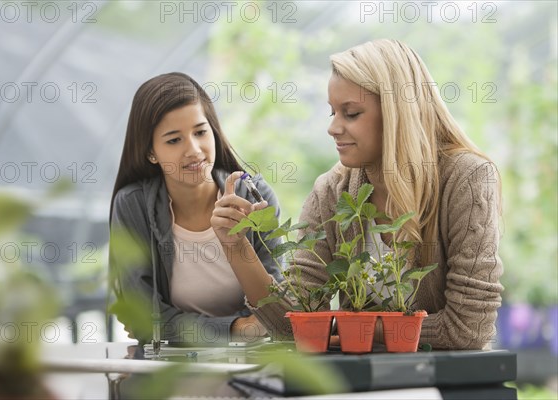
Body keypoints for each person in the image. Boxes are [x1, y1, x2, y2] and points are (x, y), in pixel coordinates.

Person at [211, 39, 503, 350]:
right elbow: (292, 323)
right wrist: (236, 246)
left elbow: (468, 329)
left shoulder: (466, 178)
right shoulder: (331, 192)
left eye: (350, 113)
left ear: (396, 114)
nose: (333, 128)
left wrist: (348, 328)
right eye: (332, 112)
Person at [109, 72, 283, 346]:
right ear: (150, 152)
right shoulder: (133, 205)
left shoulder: (253, 196)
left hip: (257, 364)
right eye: (173, 140)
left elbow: (277, 311)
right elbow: (145, 320)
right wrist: (237, 327)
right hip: (170, 371)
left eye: (200, 132)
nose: (194, 150)